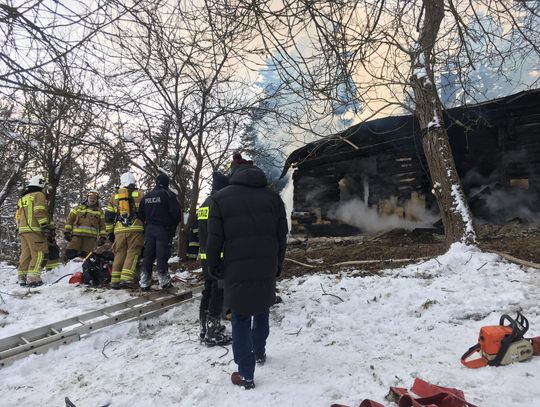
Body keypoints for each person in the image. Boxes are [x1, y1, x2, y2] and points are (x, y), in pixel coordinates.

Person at [206, 155, 288, 389]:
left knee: (240, 317)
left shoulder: (219, 199)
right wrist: (278, 264)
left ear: (233, 173)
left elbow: (214, 240)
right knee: (261, 309)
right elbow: (281, 236)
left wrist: (213, 266)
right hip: (265, 266)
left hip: (236, 268)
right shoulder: (273, 198)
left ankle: (246, 374)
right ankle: (260, 352)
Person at [198, 171, 231, 346]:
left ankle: (204, 329)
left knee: (208, 290)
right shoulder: (220, 204)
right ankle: (213, 331)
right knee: (218, 292)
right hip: (218, 258)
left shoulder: (204, 204)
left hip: (205, 258)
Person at [138, 173, 181, 290]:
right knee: (162, 255)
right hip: (163, 229)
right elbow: (176, 214)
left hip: (149, 229)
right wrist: (173, 225)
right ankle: (164, 280)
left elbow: (140, 213)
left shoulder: (147, 196)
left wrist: (147, 221)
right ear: (166, 183)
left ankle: (145, 281)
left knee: (148, 255)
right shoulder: (168, 195)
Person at [104, 172, 144, 289]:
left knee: (119, 253)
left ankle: (115, 280)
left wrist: (110, 232)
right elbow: (145, 213)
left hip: (119, 230)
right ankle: (126, 279)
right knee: (133, 252)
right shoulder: (140, 195)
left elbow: (108, 216)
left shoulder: (114, 197)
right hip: (136, 229)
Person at [15, 175, 51, 287]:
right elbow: (39, 211)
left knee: (26, 254)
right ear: (41, 184)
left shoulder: (23, 198)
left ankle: (22, 277)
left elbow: (17, 215)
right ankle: (33, 278)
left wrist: (19, 227)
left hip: (23, 230)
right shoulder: (39, 195)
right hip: (34, 229)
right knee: (39, 253)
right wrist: (45, 225)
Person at [64, 190, 107, 260]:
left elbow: (102, 226)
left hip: (90, 238)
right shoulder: (78, 208)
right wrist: (67, 232)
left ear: (97, 200)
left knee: (86, 257)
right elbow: (70, 220)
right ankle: (69, 269)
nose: (92, 200)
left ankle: (81, 270)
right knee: (70, 252)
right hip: (76, 236)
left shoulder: (99, 212)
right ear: (87, 198)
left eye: (94, 198)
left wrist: (103, 237)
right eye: (91, 198)